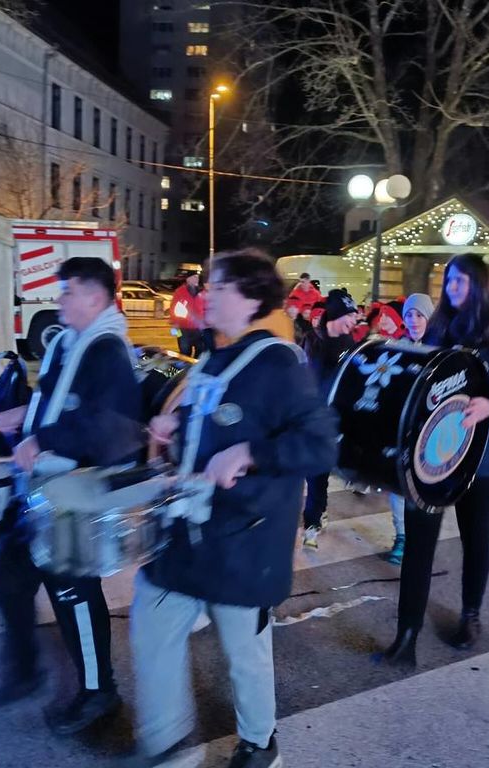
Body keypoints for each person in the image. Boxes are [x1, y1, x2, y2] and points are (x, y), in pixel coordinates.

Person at [133, 249, 338, 768]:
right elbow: (215, 424)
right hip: (188, 529)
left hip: (244, 536)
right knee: (153, 621)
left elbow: (320, 446)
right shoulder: (213, 359)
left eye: (220, 286)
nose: (207, 295)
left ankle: (259, 743)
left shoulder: (279, 364)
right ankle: (165, 745)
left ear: (250, 298)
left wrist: (250, 453)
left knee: (244, 651)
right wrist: (176, 429)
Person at [0, 257, 142, 734]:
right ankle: (25, 670)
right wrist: (25, 416)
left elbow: (111, 429)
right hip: (45, 488)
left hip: (76, 494)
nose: (59, 300)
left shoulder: (107, 351)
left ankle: (100, 692)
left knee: (74, 595)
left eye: (68, 291)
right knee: (8, 574)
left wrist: (41, 439)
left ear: (95, 298)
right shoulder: (69, 343)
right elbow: (65, 404)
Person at [375, 254, 489, 666]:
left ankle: (471, 614)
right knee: (419, 542)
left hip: (481, 459)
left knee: (475, 535)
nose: (452, 287)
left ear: (481, 286)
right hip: (428, 457)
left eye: (461, 280)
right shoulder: (439, 329)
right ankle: (407, 634)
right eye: (449, 280)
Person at [300, 289, 358, 548]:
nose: (354, 320)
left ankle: (315, 515)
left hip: (336, 419)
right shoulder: (312, 340)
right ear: (335, 315)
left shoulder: (350, 344)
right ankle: (313, 520)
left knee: (320, 472)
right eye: (350, 315)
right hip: (311, 417)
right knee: (313, 472)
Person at [385, 293, 434, 565]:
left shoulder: (440, 349)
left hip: (429, 429)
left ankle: (420, 537)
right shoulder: (398, 347)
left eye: (419, 315)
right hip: (402, 427)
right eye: (409, 315)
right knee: (399, 485)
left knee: (424, 486)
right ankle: (401, 535)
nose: (414, 321)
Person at [170, 270, 207, 358]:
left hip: (199, 329)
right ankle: (185, 366)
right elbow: (173, 308)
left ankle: (196, 366)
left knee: (200, 352)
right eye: (194, 277)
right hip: (183, 328)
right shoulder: (179, 292)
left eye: (197, 277)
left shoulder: (203, 292)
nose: (196, 279)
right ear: (188, 279)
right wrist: (174, 324)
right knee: (184, 352)